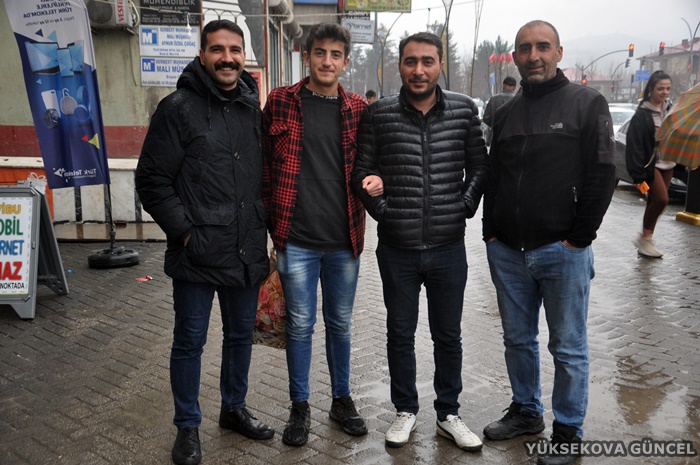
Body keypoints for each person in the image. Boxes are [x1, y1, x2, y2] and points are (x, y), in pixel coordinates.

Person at [135, 20, 273, 465]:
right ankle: (187, 426)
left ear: (244, 55)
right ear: (202, 55)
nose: (227, 58)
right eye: (217, 49)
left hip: (245, 247)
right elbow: (152, 180)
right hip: (196, 251)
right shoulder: (177, 108)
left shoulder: (253, 107)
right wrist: (185, 231)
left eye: (235, 50)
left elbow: (261, 176)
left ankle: (234, 409)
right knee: (189, 341)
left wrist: (268, 231)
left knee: (240, 336)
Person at [481, 20, 615, 465]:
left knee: (568, 347)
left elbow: (603, 173)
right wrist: (490, 233)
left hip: (563, 252)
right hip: (507, 251)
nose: (533, 55)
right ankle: (526, 411)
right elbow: (494, 176)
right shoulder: (505, 112)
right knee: (518, 340)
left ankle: (568, 431)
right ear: (515, 57)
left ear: (558, 52)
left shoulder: (587, 103)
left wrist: (579, 239)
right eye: (524, 48)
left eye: (542, 47)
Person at [352, 32, 488, 452]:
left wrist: (464, 205)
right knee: (400, 332)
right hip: (398, 249)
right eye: (411, 61)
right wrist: (384, 211)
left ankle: (448, 414)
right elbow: (360, 172)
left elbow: (480, 167)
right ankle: (405, 410)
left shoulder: (463, 110)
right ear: (400, 66)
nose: (419, 70)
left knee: (448, 335)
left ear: (440, 64)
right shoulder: (379, 114)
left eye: (428, 61)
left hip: (448, 248)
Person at [261, 22, 368, 447]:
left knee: (339, 324)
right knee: (300, 326)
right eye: (319, 53)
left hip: (344, 240)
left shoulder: (358, 109)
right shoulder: (280, 101)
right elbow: (265, 167)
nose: (327, 61)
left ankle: (341, 400)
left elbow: (370, 165)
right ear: (306, 56)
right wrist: (273, 227)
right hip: (297, 239)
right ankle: (299, 406)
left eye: (335, 54)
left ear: (345, 61)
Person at [625, 70, 673, 258]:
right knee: (662, 200)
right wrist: (637, 175)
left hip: (668, 163)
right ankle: (644, 239)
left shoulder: (670, 110)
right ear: (651, 89)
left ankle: (646, 240)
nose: (664, 92)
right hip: (650, 165)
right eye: (660, 88)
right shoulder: (642, 114)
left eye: (667, 89)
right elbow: (635, 145)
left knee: (654, 202)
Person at [482, 76, 517, 145]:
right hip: (514, 138)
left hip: (496, 137)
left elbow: (486, 118)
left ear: (503, 85)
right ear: (514, 87)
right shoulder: (519, 99)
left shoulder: (493, 99)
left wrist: (494, 125)